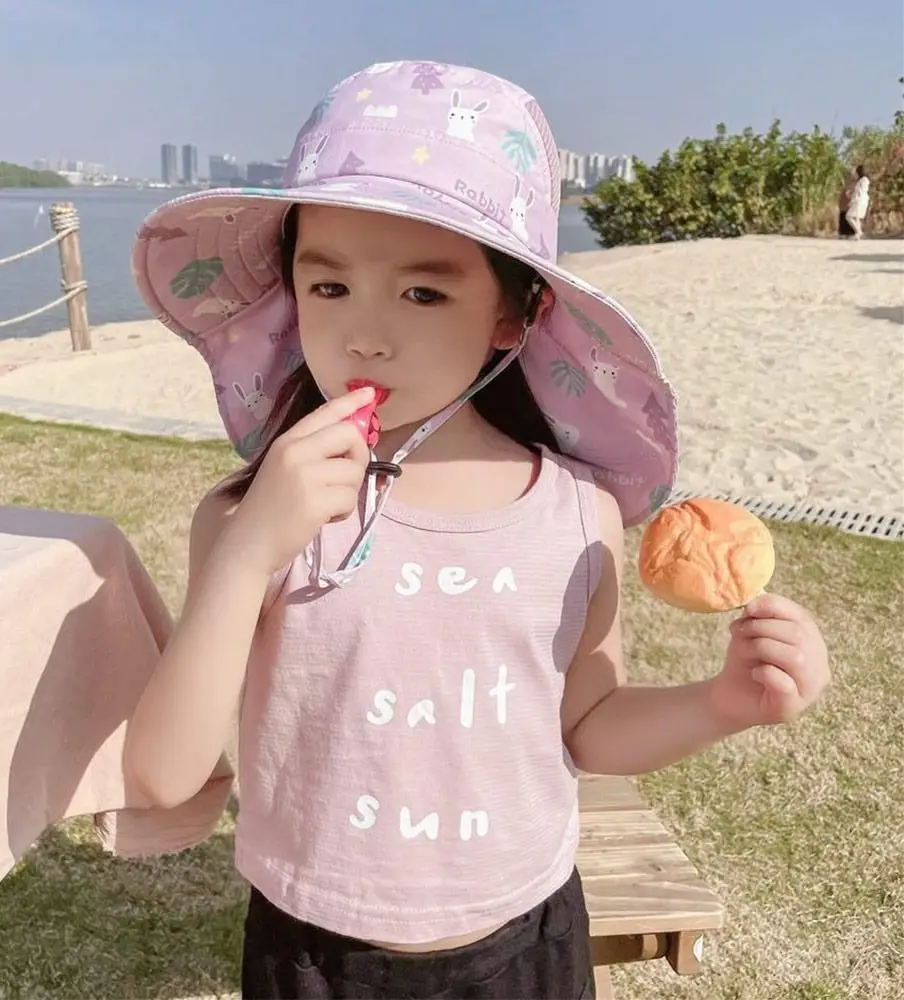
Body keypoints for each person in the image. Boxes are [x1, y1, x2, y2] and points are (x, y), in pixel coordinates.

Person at [123, 60, 831, 1000]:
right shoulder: (247, 516)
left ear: (513, 311)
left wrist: (725, 702)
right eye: (328, 288)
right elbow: (166, 775)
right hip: (313, 947)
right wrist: (254, 547)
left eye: (423, 293)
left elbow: (588, 725)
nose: (365, 337)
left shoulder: (575, 516)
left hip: (526, 940)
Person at [846, 165, 870, 239]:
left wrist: (852, 198)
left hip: (859, 200)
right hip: (862, 200)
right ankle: (857, 234)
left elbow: (859, 192)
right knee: (857, 218)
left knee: (849, 216)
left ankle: (859, 232)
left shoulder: (863, 180)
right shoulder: (863, 180)